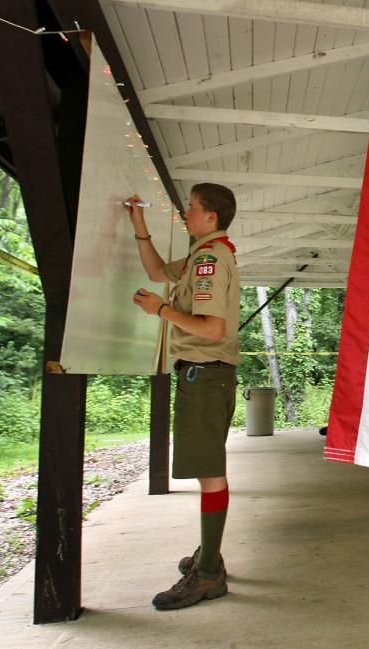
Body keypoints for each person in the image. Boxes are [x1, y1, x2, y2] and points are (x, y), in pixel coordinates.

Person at [127, 184, 240, 609]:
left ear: (211, 218)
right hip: (204, 376)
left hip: (206, 376)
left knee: (210, 472)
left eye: (191, 209)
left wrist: (160, 310)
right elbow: (158, 272)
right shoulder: (201, 255)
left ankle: (209, 574)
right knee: (206, 467)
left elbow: (212, 329)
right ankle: (209, 557)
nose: (186, 215)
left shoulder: (210, 260)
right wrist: (140, 227)